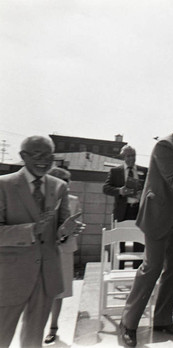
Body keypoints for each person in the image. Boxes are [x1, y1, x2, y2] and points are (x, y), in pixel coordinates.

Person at [119, 113, 173, 347]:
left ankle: (162, 320)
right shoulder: (164, 146)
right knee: (152, 267)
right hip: (159, 216)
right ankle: (128, 323)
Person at [0, 135, 83, 348]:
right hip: (10, 277)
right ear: (22, 156)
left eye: (49, 156)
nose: (44, 160)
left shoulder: (59, 187)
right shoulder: (4, 185)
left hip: (46, 275)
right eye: (38, 154)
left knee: (33, 338)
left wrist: (66, 231)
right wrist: (30, 230)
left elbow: (59, 230)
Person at [44, 167, 84, 344]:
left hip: (64, 250)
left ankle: (53, 328)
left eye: (66, 184)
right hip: (42, 251)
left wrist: (76, 229)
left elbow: (77, 223)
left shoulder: (74, 201)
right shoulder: (39, 200)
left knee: (58, 292)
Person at [103, 145, 148, 268]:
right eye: (128, 156)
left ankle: (137, 270)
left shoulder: (144, 171)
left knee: (139, 240)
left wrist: (143, 194)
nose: (131, 158)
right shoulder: (115, 171)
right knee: (120, 240)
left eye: (133, 155)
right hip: (122, 210)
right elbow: (106, 188)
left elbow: (150, 188)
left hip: (138, 210)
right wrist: (120, 191)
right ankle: (119, 269)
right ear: (124, 157)